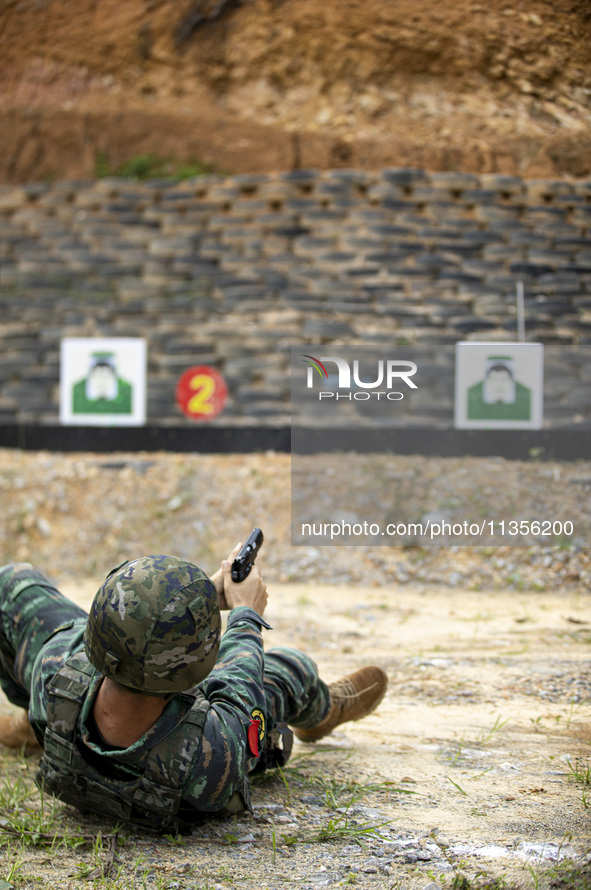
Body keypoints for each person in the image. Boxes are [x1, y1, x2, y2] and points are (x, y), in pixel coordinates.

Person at [0, 546, 388, 831]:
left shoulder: (52, 674)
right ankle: (323, 712)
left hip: (56, 714)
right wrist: (245, 613)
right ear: (197, 673)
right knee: (289, 667)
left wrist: (185, 603)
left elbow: (124, 634)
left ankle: (40, 729)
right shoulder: (214, 750)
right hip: (180, 759)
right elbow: (240, 680)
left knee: (13, 585)